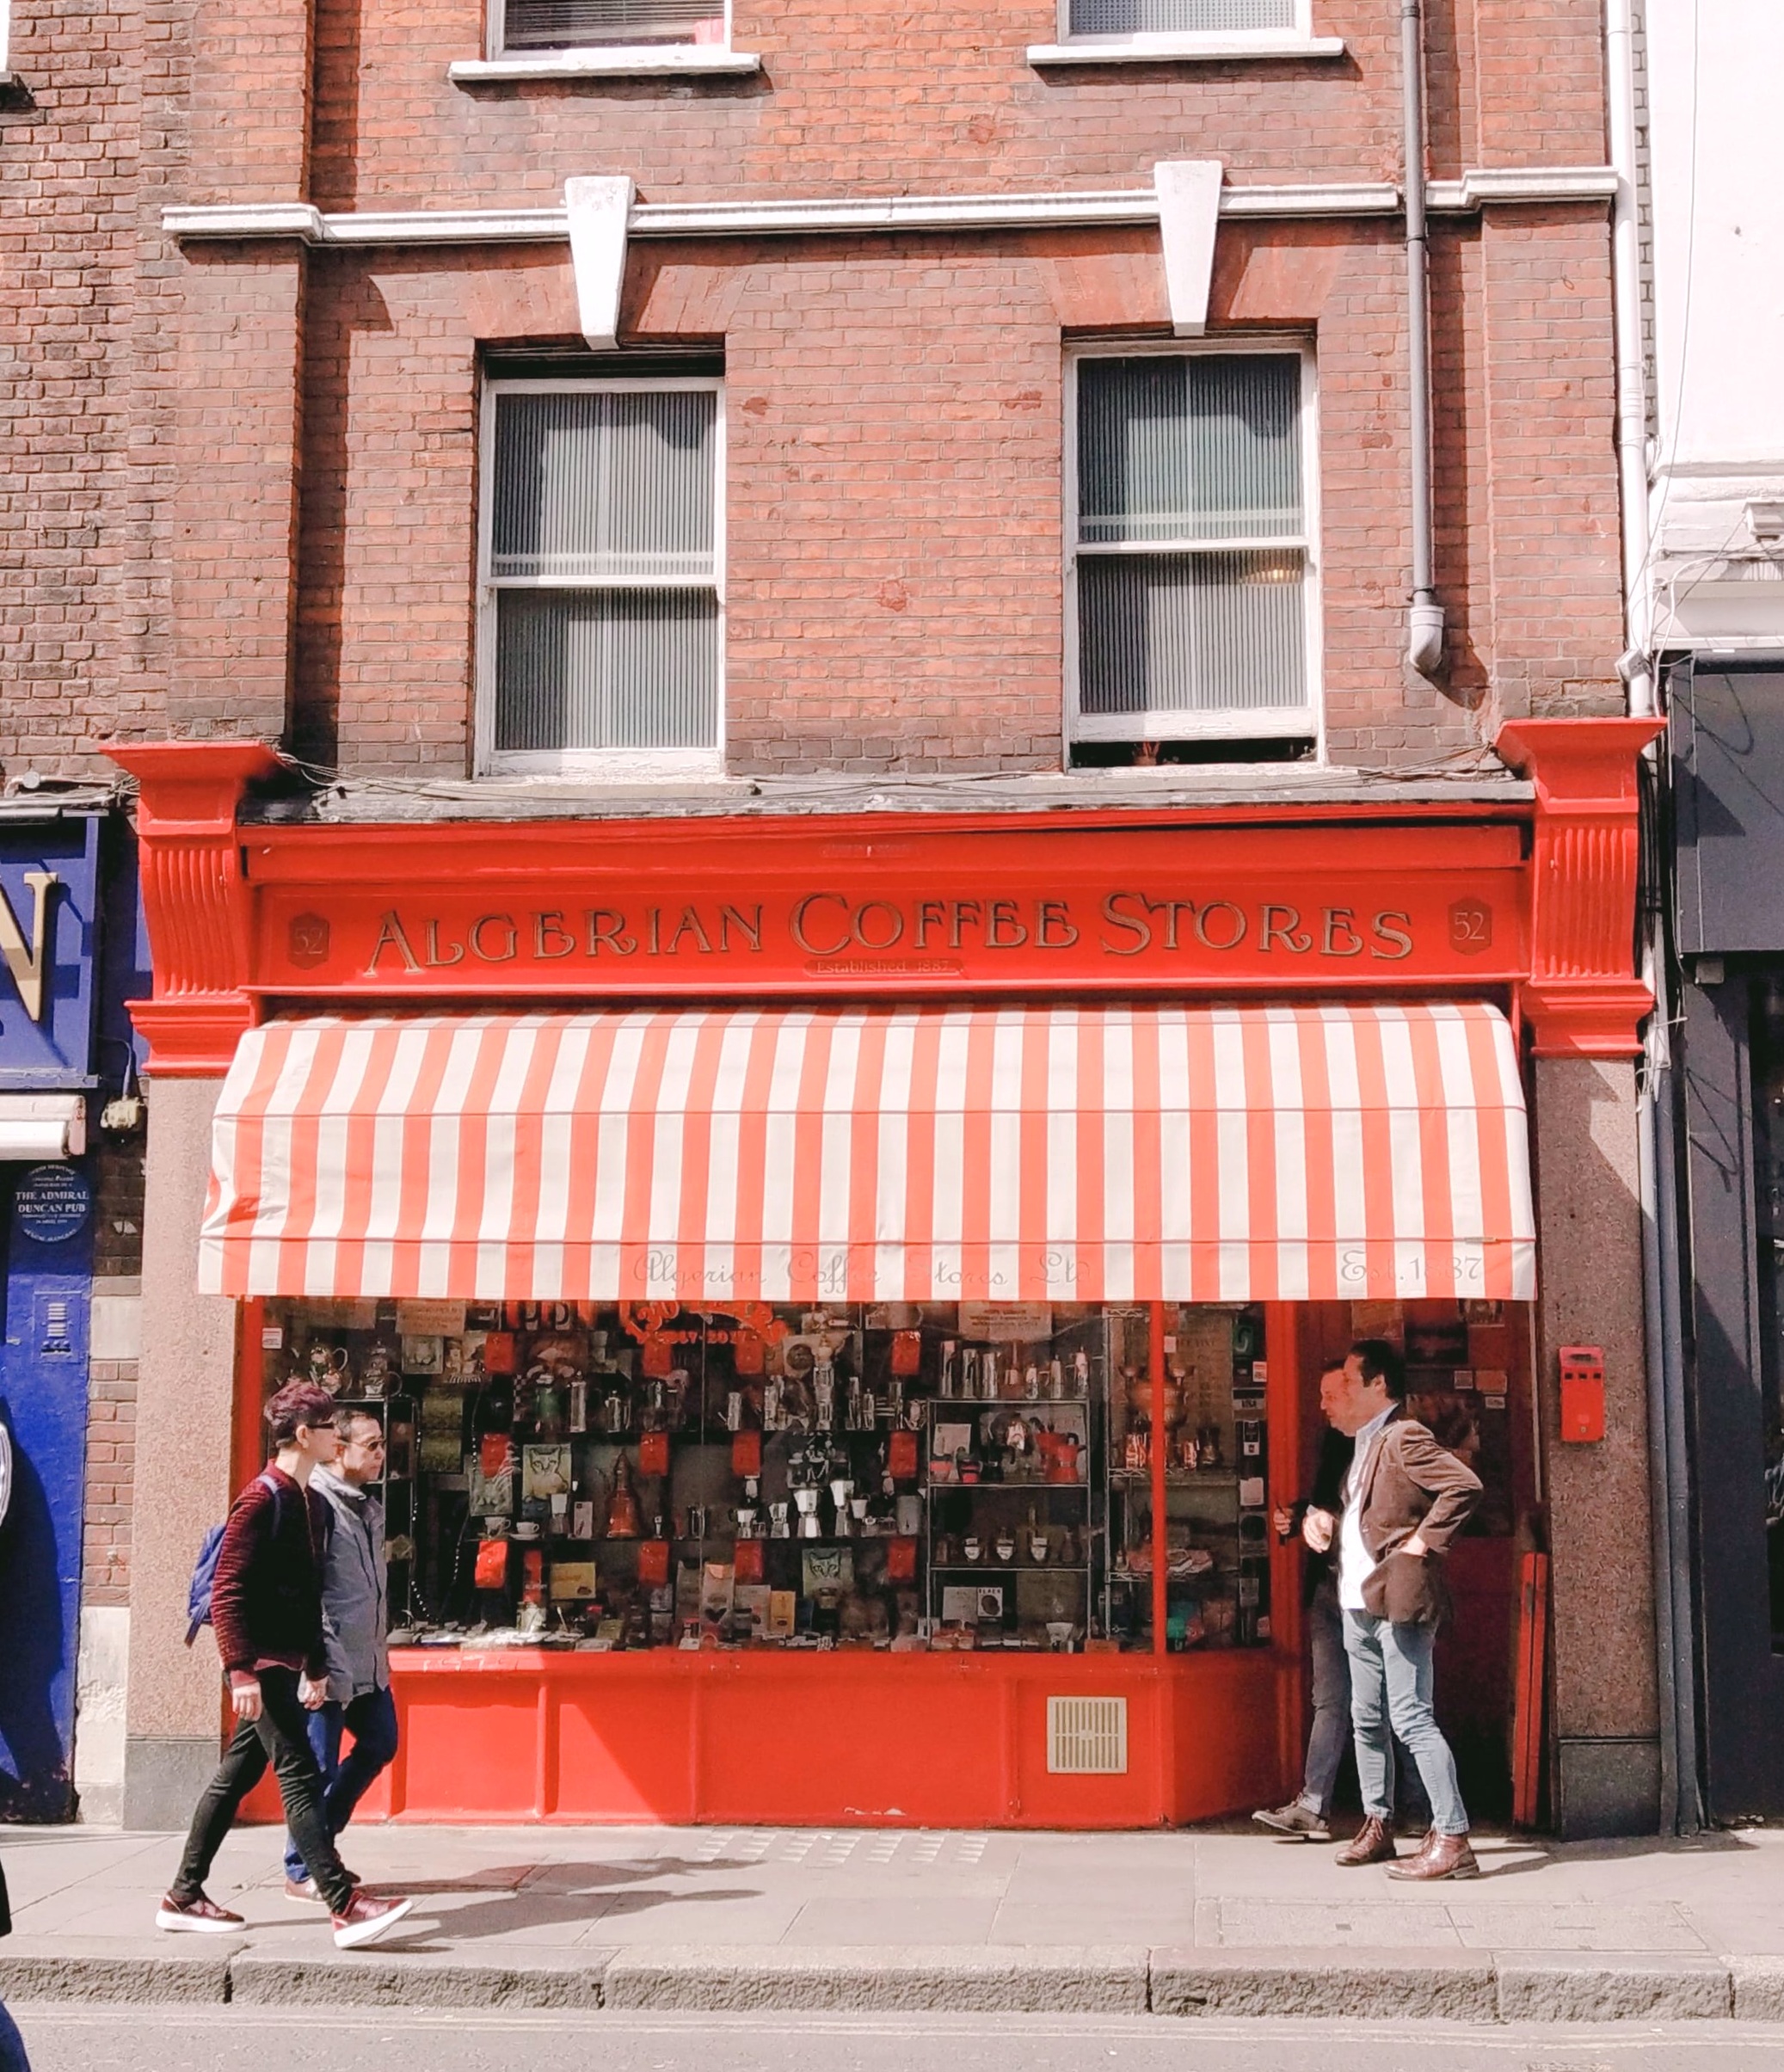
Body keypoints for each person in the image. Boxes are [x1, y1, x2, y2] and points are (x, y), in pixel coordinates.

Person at [157, 1380, 415, 1949]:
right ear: (305, 1434)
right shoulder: (262, 1497)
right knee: (299, 1775)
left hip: (289, 1661)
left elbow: (307, 1594)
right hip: (262, 1665)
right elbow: (227, 1590)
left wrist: (317, 1666)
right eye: (328, 1427)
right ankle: (344, 1905)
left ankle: (182, 1893)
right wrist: (240, 1671)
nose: (334, 1435)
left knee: (236, 1776)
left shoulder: (311, 1503)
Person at [1304, 1338, 1484, 1880]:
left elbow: (1464, 1485)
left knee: (1409, 1716)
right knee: (1366, 1719)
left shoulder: (1403, 1435)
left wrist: (1423, 1542)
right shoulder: (1364, 1443)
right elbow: (1371, 1515)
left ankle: (1452, 1837)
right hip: (1359, 1601)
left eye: (1352, 1384)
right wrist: (1327, 1521)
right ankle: (1377, 1825)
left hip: (1397, 1601)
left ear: (1379, 1385)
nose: (1341, 1395)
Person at [1252, 1364, 1430, 1842]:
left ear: (1368, 1391)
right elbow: (1330, 1504)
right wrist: (1301, 1517)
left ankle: (1419, 1810)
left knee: (1399, 1707)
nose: (1325, 1404)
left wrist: (1419, 1545)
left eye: (1336, 1391)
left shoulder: (1398, 1439)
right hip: (1332, 1589)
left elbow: (1426, 1502)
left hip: (1377, 1592)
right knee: (1334, 1700)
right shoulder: (1334, 1443)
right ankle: (1316, 1805)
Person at [282, 1408, 400, 1903]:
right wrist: (318, 1664)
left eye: (381, 1445)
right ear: (339, 1449)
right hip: (328, 1664)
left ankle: (320, 1846)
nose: (380, 1454)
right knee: (318, 1768)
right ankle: (301, 1866)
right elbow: (311, 1593)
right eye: (370, 1445)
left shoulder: (365, 1508)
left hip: (368, 1660)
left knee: (380, 1743)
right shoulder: (318, 1507)